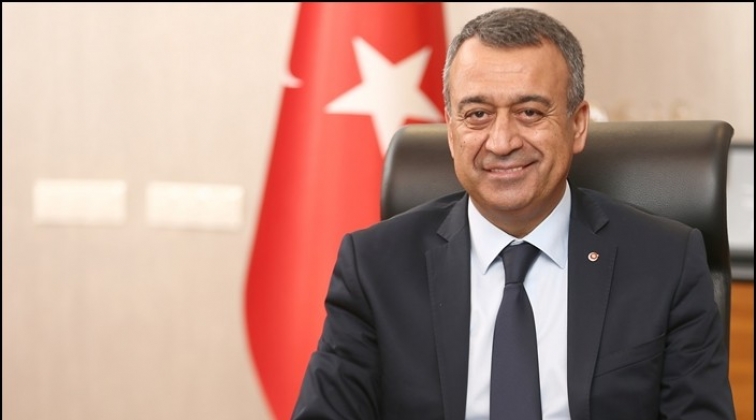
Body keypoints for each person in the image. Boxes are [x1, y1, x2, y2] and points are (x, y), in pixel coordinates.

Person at [292, 7, 735, 420]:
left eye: (529, 112)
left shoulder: (664, 261)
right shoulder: (374, 266)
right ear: (451, 131)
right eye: (478, 114)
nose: (502, 141)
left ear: (577, 124)